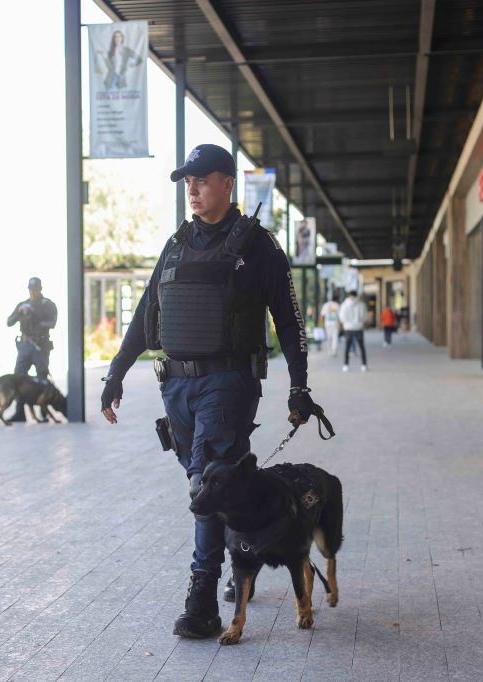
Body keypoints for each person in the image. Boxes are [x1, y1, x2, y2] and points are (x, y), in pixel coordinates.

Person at [99, 144, 316, 639]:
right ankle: (247, 553)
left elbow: (289, 319)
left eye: (201, 180)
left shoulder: (258, 245)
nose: (192, 190)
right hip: (176, 386)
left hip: (229, 383)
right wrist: (116, 372)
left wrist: (299, 386)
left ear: (227, 183)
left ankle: (202, 600)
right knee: (214, 483)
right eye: (186, 182)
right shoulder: (175, 245)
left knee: (205, 483)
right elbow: (145, 313)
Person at [7, 277, 58, 378]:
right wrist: (19, 313)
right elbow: (9, 322)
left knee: (42, 377)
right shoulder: (23, 305)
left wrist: (35, 316)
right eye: (31, 290)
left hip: (40, 345)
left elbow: (52, 323)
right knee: (18, 376)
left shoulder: (48, 304)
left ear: (40, 289)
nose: (33, 292)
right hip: (25, 344)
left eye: (35, 290)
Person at [339, 290, 367, 372]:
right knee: (361, 347)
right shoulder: (361, 305)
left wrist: (345, 323)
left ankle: (346, 365)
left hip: (348, 328)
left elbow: (341, 317)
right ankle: (364, 365)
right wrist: (360, 323)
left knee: (347, 347)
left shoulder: (344, 305)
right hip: (358, 328)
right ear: (356, 295)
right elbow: (364, 317)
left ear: (349, 296)